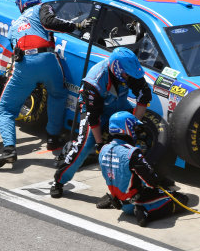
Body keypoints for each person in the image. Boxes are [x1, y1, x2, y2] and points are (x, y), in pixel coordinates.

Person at [0, 0, 93, 169]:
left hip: (24, 64)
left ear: (21, 3)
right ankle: (53, 137)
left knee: (5, 109)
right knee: (58, 94)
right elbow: (49, 22)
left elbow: (15, 50)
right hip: (49, 59)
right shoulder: (41, 7)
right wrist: (76, 26)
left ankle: (9, 149)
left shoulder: (15, 24)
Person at [50, 47, 152, 198]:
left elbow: (144, 95)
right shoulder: (95, 80)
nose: (130, 77)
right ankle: (58, 181)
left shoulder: (129, 71)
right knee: (84, 144)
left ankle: (145, 182)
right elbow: (93, 117)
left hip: (119, 106)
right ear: (117, 68)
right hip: (93, 111)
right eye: (127, 74)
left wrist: (134, 124)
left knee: (143, 135)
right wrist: (99, 144)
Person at [97, 111, 188, 227]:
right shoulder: (132, 153)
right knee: (182, 199)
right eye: (134, 128)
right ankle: (145, 212)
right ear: (127, 128)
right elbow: (151, 182)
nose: (135, 131)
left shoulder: (103, 150)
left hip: (119, 197)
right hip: (134, 201)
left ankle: (114, 200)